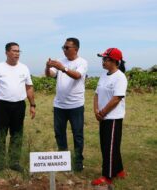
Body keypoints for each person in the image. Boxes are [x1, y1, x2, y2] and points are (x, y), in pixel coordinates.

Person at [0, 42, 36, 175]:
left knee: (17, 134)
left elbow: (29, 87)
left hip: (19, 105)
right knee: (0, 134)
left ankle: (14, 162)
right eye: (14, 51)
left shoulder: (24, 68)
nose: (17, 53)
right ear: (7, 52)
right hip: (2, 105)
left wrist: (32, 104)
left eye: (19, 51)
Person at [45, 37, 88, 171]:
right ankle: (63, 161)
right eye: (63, 47)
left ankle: (78, 161)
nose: (64, 50)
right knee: (59, 133)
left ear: (76, 49)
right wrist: (48, 67)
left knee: (78, 134)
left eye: (66, 47)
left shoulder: (82, 62)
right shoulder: (60, 61)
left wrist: (63, 68)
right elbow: (50, 75)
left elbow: (77, 76)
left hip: (76, 105)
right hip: (59, 105)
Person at [92, 48, 127, 185]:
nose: (103, 61)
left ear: (114, 61)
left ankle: (107, 176)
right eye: (103, 59)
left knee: (109, 147)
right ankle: (119, 170)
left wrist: (103, 112)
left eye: (106, 59)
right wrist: (96, 110)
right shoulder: (103, 75)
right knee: (108, 145)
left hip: (113, 117)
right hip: (103, 117)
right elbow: (96, 94)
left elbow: (116, 98)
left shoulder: (120, 77)